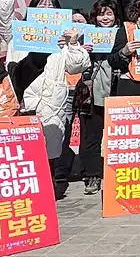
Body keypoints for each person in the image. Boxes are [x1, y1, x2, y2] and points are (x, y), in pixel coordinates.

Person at [22, 27, 91, 196]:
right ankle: (27, 188)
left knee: (51, 146)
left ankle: (49, 186)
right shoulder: (20, 34)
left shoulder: (60, 41)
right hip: (26, 99)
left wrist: (72, 44)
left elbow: (77, 66)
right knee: (25, 148)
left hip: (52, 101)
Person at [78, 0, 121, 195]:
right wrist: (81, 51)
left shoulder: (124, 34)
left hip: (118, 89)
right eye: (101, 14)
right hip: (93, 92)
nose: (105, 18)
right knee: (92, 136)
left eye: (109, 13)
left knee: (120, 136)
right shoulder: (85, 36)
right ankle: (92, 175)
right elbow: (74, 63)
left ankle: (120, 173)